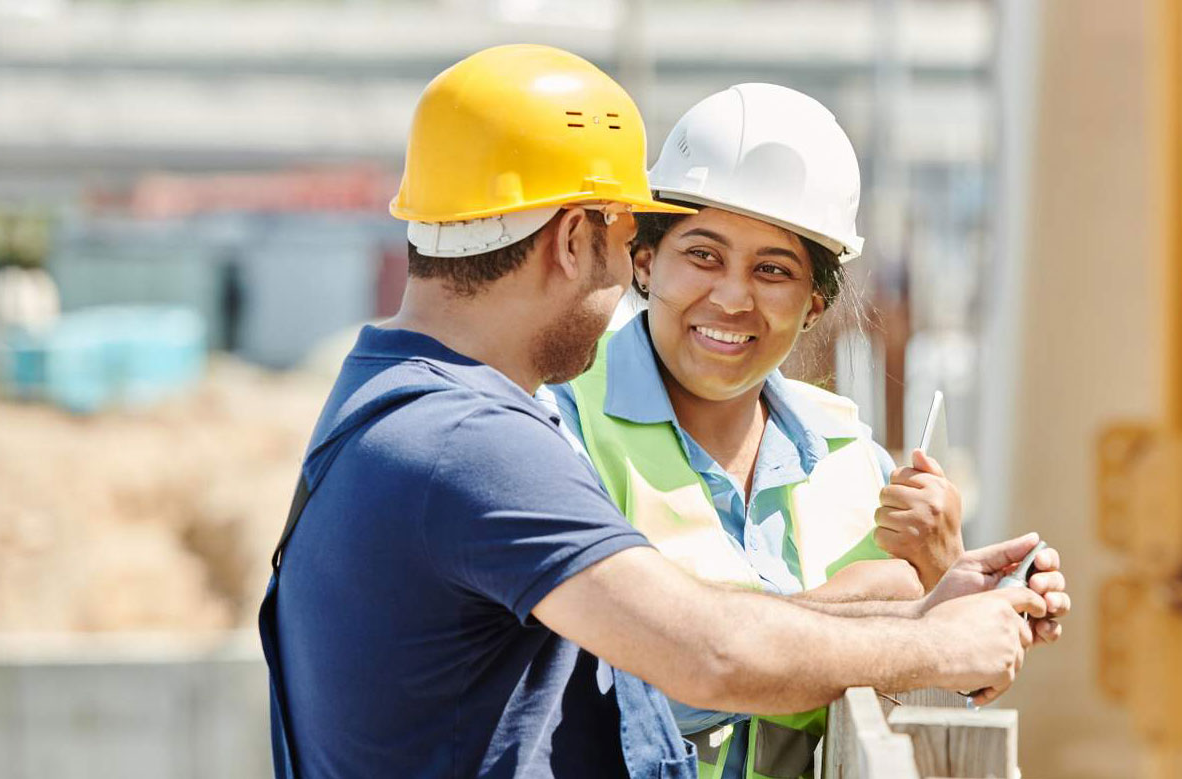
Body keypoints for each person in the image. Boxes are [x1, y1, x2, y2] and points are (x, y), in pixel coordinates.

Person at [259, 45, 1069, 779]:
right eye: (629, 241)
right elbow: (703, 653)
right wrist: (933, 641)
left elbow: (681, 634)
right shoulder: (472, 443)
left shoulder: (396, 402)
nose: (629, 277)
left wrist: (920, 598)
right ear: (575, 238)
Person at [542, 82, 985, 779]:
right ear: (647, 262)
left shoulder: (858, 463)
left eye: (772, 269)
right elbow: (614, 690)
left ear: (814, 302)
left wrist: (943, 577)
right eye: (704, 255)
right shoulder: (560, 428)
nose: (733, 296)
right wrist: (861, 607)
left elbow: (926, 708)